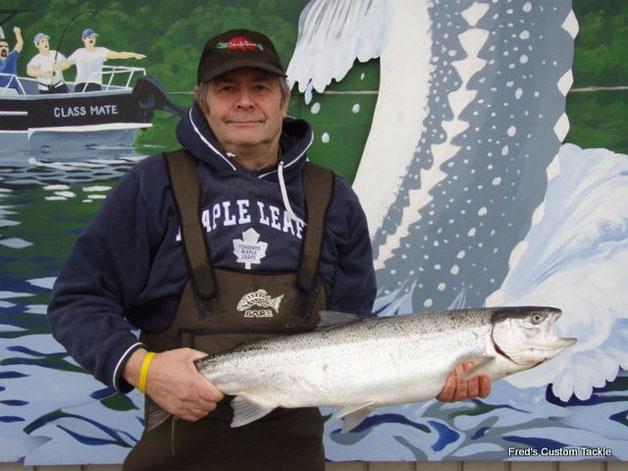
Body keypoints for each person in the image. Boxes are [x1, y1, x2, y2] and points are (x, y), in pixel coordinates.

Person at [47, 29, 489, 470]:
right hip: (177, 450)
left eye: (260, 87)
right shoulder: (151, 186)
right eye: (226, 88)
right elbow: (77, 301)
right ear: (202, 100)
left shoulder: (333, 198)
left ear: (284, 99)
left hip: (294, 453)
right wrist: (143, 370)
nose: (244, 101)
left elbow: (357, 333)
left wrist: (429, 376)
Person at [55, 28, 145, 92]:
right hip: (80, 84)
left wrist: (133, 55)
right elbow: (67, 63)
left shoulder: (101, 51)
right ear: (83, 39)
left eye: (93, 37)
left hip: (94, 84)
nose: (92, 39)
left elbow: (119, 55)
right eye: (89, 37)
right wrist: (58, 66)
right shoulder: (78, 52)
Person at [0, 26, 24, 92]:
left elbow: (20, 44)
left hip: (13, 90)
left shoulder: (11, 57)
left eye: (6, 47)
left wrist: (17, 33)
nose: (4, 48)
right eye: (1, 46)